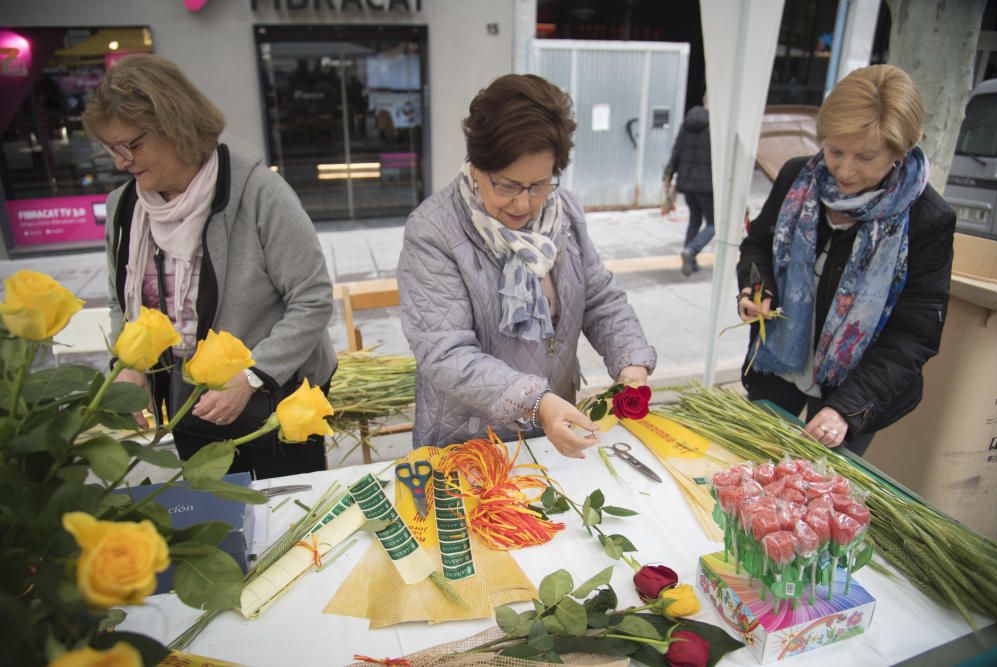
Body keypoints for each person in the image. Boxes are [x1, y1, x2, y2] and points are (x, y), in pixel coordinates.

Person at [83, 54, 337, 479]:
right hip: (190, 401)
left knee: (286, 512)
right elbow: (120, 303)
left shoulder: (259, 194)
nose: (121, 161)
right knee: (218, 515)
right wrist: (128, 363)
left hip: (273, 396)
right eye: (112, 148)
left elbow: (311, 299)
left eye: (132, 144)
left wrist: (253, 377)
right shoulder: (123, 207)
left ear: (175, 126)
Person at [397, 74, 656, 459]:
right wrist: (537, 401)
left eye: (538, 185)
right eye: (506, 185)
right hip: (470, 441)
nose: (523, 204)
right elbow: (446, 352)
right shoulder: (434, 231)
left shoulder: (563, 212)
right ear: (476, 165)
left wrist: (631, 363)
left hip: (554, 430)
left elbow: (599, 298)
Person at [736, 64, 955, 456]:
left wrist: (845, 410)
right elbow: (757, 246)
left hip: (853, 390)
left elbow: (913, 335)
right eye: (835, 150)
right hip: (778, 369)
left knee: (816, 495)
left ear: (898, 151)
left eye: (866, 157)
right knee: (751, 466)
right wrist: (757, 290)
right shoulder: (796, 179)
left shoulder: (926, 219)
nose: (845, 170)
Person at [664, 97, 713, 277]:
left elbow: (676, 152)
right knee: (714, 224)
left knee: (694, 219)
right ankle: (691, 250)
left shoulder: (687, 123)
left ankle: (691, 261)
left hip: (687, 182)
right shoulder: (715, 126)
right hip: (707, 185)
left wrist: (668, 177)